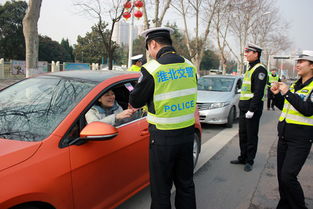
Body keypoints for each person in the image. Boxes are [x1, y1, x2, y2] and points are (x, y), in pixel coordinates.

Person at [129, 27, 197, 209]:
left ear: (153, 44)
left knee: (161, 189)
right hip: (187, 135)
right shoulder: (190, 66)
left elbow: (135, 101)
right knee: (186, 184)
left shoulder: (152, 68)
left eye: (148, 49)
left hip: (163, 138)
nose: (149, 53)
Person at [271, 50, 313, 209]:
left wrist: (287, 93)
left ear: (312, 66)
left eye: (302, 61)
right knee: (282, 178)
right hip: (284, 137)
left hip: (300, 140)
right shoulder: (296, 84)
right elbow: (285, 107)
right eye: (298, 61)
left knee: (288, 176)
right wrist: (276, 96)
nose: (298, 65)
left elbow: (308, 109)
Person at [230, 43, 268, 172]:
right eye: (245, 52)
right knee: (243, 134)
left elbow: (258, 92)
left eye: (248, 52)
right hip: (244, 108)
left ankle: (249, 161)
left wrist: (252, 109)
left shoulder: (260, 69)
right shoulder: (250, 68)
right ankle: (243, 157)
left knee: (251, 135)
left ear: (256, 54)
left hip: (252, 109)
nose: (245, 54)